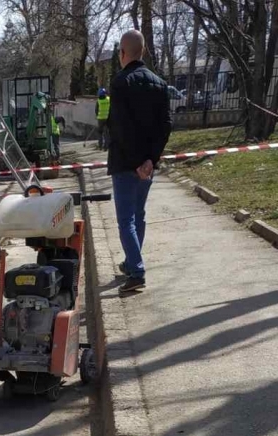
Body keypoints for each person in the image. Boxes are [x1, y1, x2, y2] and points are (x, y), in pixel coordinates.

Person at [107, 30, 172, 294]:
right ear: (142, 51)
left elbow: (120, 128)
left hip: (125, 164)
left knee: (126, 220)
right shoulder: (159, 84)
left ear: (123, 53)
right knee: (138, 215)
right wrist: (150, 160)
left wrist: (136, 162)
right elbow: (165, 126)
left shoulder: (120, 83)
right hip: (146, 166)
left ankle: (136, 271)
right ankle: (131, 261)